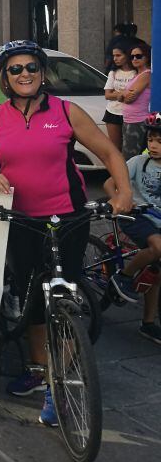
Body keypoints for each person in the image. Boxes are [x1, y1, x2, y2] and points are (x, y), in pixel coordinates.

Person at [0, 40, 132, 425]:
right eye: (16, 69)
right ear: (5, 78)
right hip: (22, 219)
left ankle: (66, 371)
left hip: (68, 217)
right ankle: (40, 371)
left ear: (42, 73)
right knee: (33, 297)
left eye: (32, 68)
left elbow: (110, 153)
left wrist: (123, 191)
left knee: (67, 294)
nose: (25, 74)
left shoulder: (65, 111)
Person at [105, 112, 161, 343]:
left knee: (157, 271)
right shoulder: (139, 162)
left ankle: (148, 323)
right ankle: (124, 277)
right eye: (151, 140)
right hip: (136, 216)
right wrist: (120, 200)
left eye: (159, 141)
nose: (154, 145)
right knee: (158, 247)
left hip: (157, 220)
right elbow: (110, 183)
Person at [119, 41, 152, 159]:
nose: (134, 59)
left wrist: (121, 94)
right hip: (129, 120)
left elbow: (128, 99)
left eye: (138, 56)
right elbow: (122, 96)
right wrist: (123, 95)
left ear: (147, 57)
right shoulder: (136, 75)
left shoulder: (147, 74)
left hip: (138, 121)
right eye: (132, 56)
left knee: (129, 157)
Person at [102, 42, 136, 151]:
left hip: (130, 113)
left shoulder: (136, 73)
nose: (115, 58)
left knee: (129, 148)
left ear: (127, 55)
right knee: (115, 147)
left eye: (118, 55)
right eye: (114, 56)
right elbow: (107, 95)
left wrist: (117, 93)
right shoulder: (113, 72)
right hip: (112, 112)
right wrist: (121, 94)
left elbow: (133, 95)